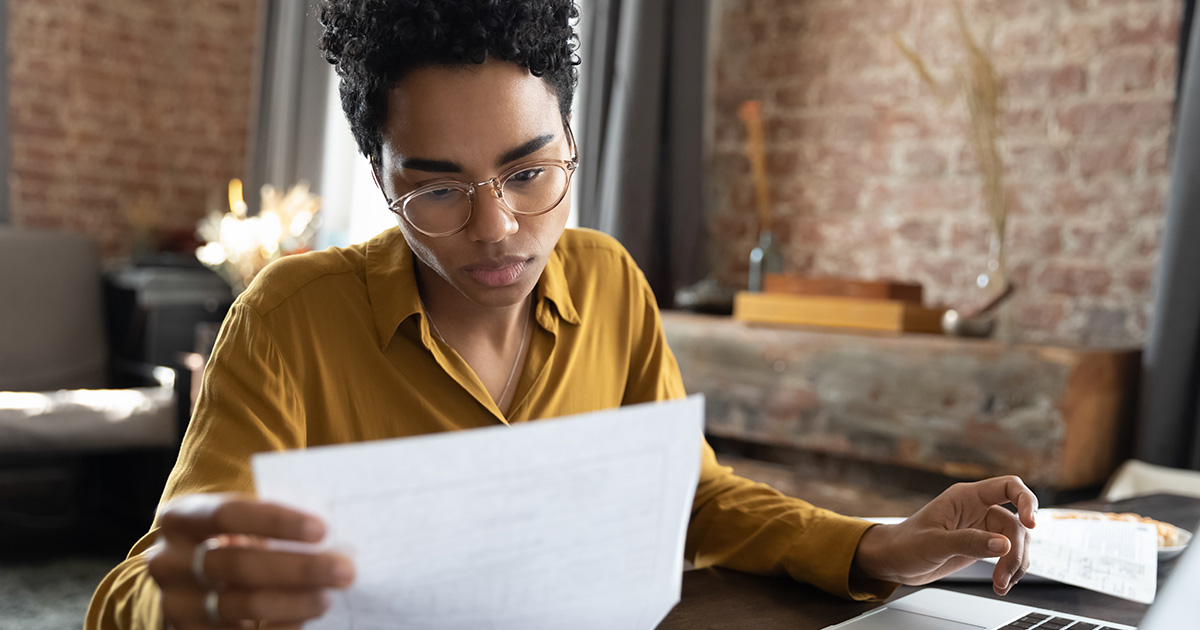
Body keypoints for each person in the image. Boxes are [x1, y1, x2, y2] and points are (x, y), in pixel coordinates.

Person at [86, 1, 1036, 628]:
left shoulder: (612, 284)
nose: (499, 230)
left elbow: (694, 499)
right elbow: (132, 589)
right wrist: (182, 602)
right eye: (440, 189)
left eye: (530, 172)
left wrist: (877, 544)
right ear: (381, 182)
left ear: (574, 144)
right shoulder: (289, 319)